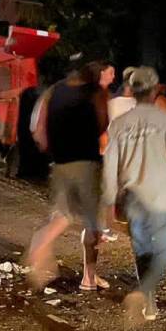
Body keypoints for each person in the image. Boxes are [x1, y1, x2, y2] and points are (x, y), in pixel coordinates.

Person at [101, 66, 166, 324]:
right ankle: (142, 294)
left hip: (132, 198)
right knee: (164, 251)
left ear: (133, 91)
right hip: (160, 197)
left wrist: (108, 201)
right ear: (154, 91)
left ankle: (148, 303)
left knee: (142, 250)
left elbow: (110, 166)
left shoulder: (119, 124)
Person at [26, 59, 110, 293]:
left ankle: (42, 241)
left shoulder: (54, 91)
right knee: (92, 223)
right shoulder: (94, 92)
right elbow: (103, 125)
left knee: (64, 214)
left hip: (61, 162)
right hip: (86, 162)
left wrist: (50, 146)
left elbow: (38, 127)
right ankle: (88, 278)